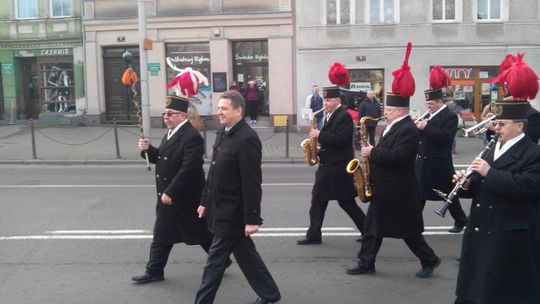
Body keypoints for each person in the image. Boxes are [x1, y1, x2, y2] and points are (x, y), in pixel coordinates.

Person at [347, 43, 441, 278]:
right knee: (372, 228)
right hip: (385, 187)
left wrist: (372, 152)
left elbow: (400, 157)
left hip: (398, 189)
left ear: (399, 111)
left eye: (388, 109)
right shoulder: (392, 127)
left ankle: (429, 259)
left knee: (408, 232)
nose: (384, 111)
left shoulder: (407, 129)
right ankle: (366, 262)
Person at [454, 55, 540, 304]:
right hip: (481, 230)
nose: (496, 127)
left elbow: (527, 187)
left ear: (519, 127)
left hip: (507, 234)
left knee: (501, 291)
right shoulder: (493, 146)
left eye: (501, 124)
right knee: (471, 291)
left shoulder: (533, 153)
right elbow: (480, 186)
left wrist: (488, 172)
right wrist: (466, 183)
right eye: (496, 123)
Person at [195, 90, 281, 304]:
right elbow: (213, 172)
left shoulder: (247, 139)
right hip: (219, 207)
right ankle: (270, 294)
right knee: (246, 255)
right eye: (218, 108)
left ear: (239, 111)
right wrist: (204, 202)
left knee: (214, 264)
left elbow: (252, 183)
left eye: (224, 108)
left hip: (232, 212)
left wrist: (252, 219)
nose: (219, 112)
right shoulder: (223, 132)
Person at [132, 95, 214, 284]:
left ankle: (222, 260)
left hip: (185, 197)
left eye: (170, 114)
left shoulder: (192, 136)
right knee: (162, 234)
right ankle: (154, 271)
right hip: (170, 196)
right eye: (164, 114)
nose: (166, 117)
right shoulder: (171, 133)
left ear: (182, 116)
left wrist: (171, 191)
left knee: (202, 233)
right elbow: (162, 158)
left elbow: (189, 168)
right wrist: (148, 149)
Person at [296, 85, 366, 245]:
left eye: (328, 100)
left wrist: (320, 135)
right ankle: (314, 235)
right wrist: (319, 149)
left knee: (347, 203)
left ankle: (368, 231)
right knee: (317, 202)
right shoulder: (331, 115)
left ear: (337, 100)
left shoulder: (344, 116)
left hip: (339, 169)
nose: (325, 103)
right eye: (325, 100)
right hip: (328, 167)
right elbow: (333, 142)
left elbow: (341, 139)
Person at [415, 67, 468, 233]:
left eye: (431, 104)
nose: (428, 107)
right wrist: (416, 127)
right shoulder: (430, 115)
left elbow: (445, 137)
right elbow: (423, 136)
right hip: (424, 161)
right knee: (419, 195)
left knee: (449, 194)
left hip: (440, 162)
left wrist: (426, 127)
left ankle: (461, 220)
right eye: (427, 104)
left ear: (439, 102)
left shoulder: (450, 116)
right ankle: (415, 224)